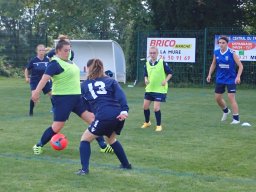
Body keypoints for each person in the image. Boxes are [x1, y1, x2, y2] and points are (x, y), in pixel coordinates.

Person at [31, 40, 112, 155]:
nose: (68, 52)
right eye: (65, 50)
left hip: (77, 98)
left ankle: (103, 146)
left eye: (69, 50)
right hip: (62, 99)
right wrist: (36, 92)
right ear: (58, 51)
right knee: (57, 126)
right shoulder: (55, 63)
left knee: (93, 120)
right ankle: (38, 145)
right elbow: (44, 79)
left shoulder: (70, 61)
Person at [76, 59, 131, 175]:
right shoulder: (111, 81)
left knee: (85, 139)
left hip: (104, 115)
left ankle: (84, 170)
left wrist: (94, 111)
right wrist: (125, 110)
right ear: (102, 68)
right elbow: (121, 96)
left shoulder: (84, 85)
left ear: (87, 69)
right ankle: (126, 165)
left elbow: (84, 103)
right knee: (111, 139)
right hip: (118, 114)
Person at [206, 36, 243, 124]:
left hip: (231, 79)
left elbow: (241, 66)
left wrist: (238, 77)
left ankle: (236, 119)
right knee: (217, 98)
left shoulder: (232, 53)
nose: (221, 44)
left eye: (223, 43)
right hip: (220, 79)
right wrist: (209, 74)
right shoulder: (216, 53)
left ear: (227, 44)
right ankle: (226, 111)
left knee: (231, 97)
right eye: (220, 43)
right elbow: (213, 64)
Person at [141, 46, 173, 131]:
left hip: (159, 89)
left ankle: (159, 125)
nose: (152, 54)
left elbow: (170, 73)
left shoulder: (162, 62)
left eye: (154, 53)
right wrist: (146, 79)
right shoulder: (147, 63)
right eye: (151, 53)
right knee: (145, 107)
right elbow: (145, 74)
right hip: (149, 89)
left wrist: (165, 80)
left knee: (156, 108)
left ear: (157, 53)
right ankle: (147, 122)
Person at [24, 44, 52, 116]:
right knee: (34, 97)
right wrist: (27, 77)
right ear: (37, 51)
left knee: (52, 95)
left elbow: (51, 69)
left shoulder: (47, 60)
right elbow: (27, 70)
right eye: (40, 50)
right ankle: (31, 112)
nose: (41, 52)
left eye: (43, 50)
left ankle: (55, 109)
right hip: (35, 81)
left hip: (45, 81)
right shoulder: (33, 60)